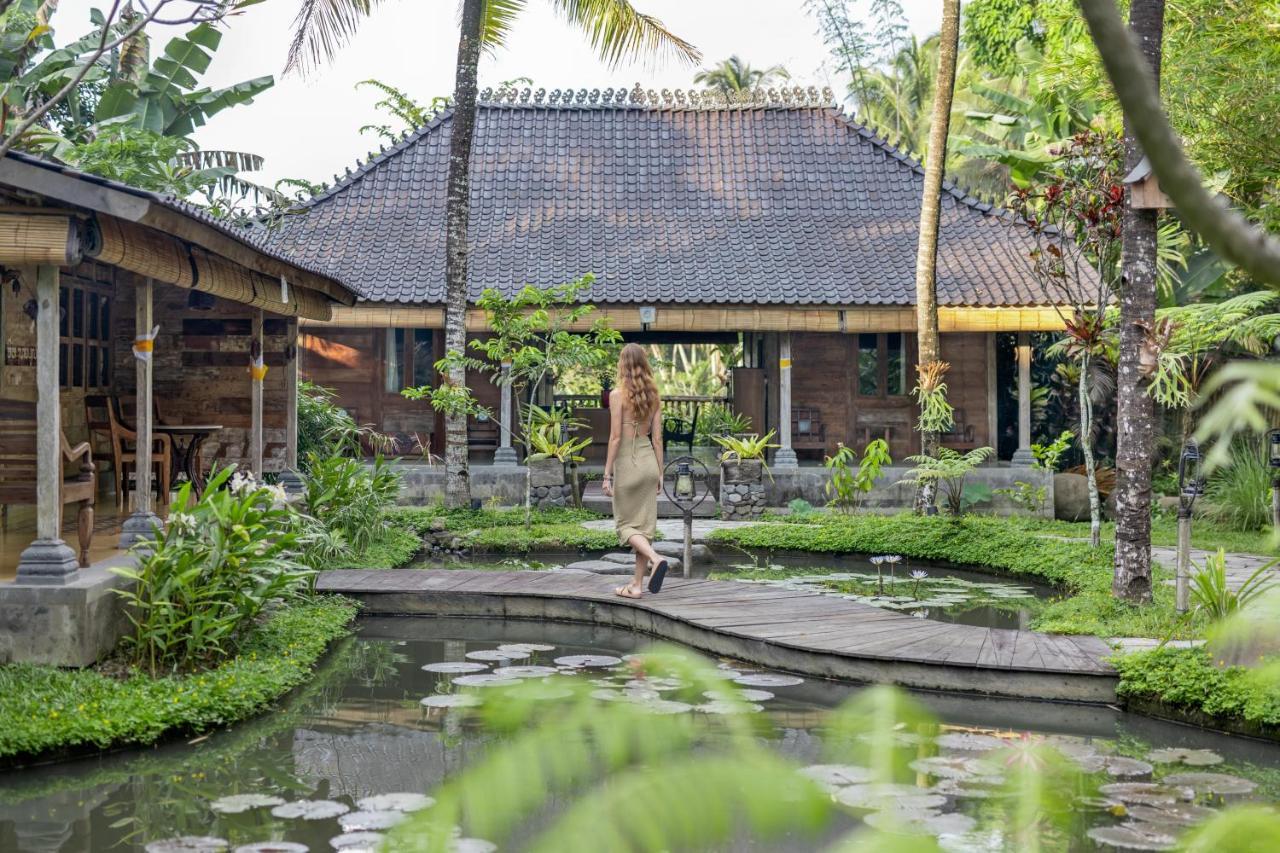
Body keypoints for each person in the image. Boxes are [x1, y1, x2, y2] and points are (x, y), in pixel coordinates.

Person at [602, 343, 669, 598]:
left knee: (624, 526)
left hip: (628, 465)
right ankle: (637, 586)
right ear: (643, 363)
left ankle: (655, 558)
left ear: (623, 364)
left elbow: (616, 438)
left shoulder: (617, 395)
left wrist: (607, 474)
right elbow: (658, 440)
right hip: (649, 463)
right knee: (643, 527)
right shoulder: (654, 395)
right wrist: (660, 473)